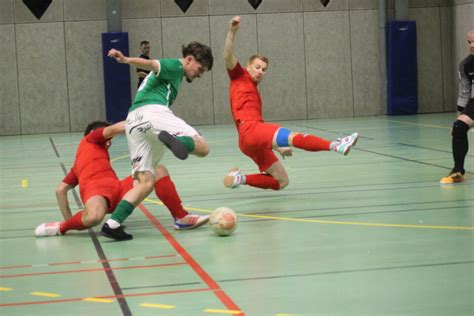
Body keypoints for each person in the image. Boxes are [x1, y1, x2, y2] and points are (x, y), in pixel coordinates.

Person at [222, 16, 359, 191]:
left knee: (281, 182)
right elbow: (227, 55)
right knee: (296, 138)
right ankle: (336, 145)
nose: (261, 72)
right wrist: (232, 31)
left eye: (264, 70)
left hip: (247, 140)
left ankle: (239, 179)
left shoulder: (254, 90)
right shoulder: (239, 76)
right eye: (257, 67)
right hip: (251, 130)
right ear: (248, 66)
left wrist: (277, 147)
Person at [101, 42, 214, 239]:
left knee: (145, 182)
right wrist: (126, 59)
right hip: (153, 113)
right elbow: (153, 64)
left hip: (133, 121)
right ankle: (180, 143)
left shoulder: (176, 75)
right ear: (189, 60)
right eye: (200, 69)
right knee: (203, 147)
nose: (200, 74)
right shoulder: (176, 66)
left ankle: (112, 224)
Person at [35, 121, 208, 240]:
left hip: (118, 190)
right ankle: (61, 227)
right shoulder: (90, 138)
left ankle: (181, 217)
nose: (109, 141)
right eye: (106, 138)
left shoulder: (80, 164)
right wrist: (145, 122)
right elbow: (115, 128)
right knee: (94, 217)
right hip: (96, 194)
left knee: (158, 170)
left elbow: (60, 190)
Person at [440, 30, 474, 184]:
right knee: (459, 127)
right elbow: (465, 92)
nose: (472, 46)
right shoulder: (466, 65)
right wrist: (460, 116)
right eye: (469, 42)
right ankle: (458, 171)